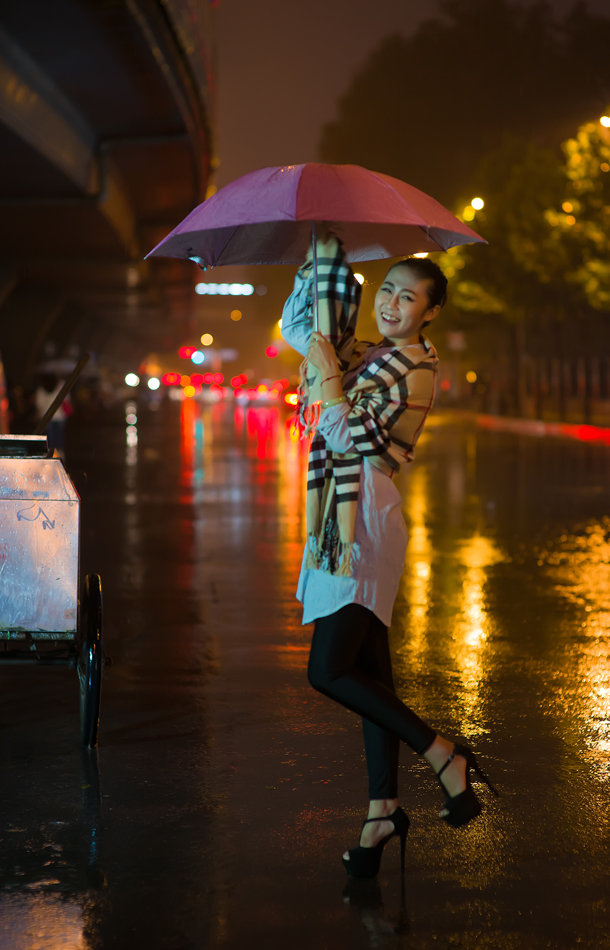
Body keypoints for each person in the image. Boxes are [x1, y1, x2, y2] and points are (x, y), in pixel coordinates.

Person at [281, 234, 498, 879]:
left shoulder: (413, 367)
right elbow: (302, 332)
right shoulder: (375, 353)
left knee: (328, 672)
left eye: (408, 297)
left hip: (362, 524)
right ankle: (382, 812)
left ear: (430, 312)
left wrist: (326, 375)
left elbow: (350, 436)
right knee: (371, 675)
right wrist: (319, 268)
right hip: (342, 515)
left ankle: (443, 754)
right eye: (387, 291)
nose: (392, 304)